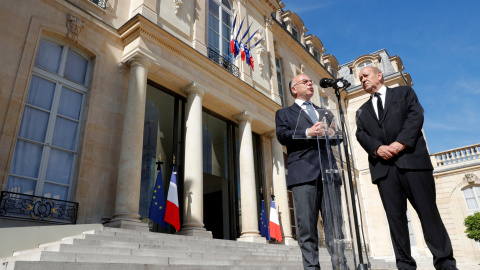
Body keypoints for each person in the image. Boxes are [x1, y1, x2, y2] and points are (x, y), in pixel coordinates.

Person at [355, 66, 457, 270]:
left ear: (379, 75)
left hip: (412, 162)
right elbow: (361, 134)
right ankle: (405, 265)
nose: (362, 80)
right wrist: (377, 148)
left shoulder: (403, 93)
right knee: (396, 220)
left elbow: (415, 116)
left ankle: (445, 263)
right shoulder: (361, 111)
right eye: (360, 78)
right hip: (384, 170)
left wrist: (400, 143)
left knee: (428, 213)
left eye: (366, 75)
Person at [275, 73, 349, 270]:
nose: (310, 84)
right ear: (293, 89)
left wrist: (332, 132)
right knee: (307, 228)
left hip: (329, 173)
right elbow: (282, 136)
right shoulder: (284, 113)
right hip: (303, 174)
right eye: (305, 82)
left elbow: (338, 137)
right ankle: (311, 268)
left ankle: (341, 266)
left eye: (311, 82)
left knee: (335, 227)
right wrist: (308, 132)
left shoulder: (324, 112)